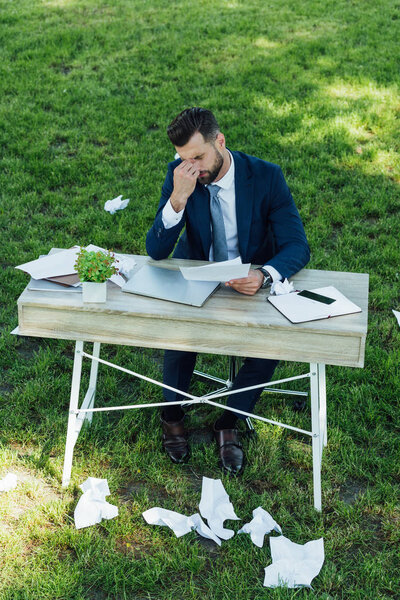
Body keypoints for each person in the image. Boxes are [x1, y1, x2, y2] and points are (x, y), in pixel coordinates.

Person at [146, 107, 310, 474]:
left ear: (220, 141)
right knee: (181, 335)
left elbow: (297, 246)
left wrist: (265, 274)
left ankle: (229, 421)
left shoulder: (266, 177)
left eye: (199, 157)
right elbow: (156, 251)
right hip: (200, 275)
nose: (193, 168)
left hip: (250, 278)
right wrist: (178, 199)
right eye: (183, 159)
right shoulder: (182, 177)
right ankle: (172, 416)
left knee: (268, 342)